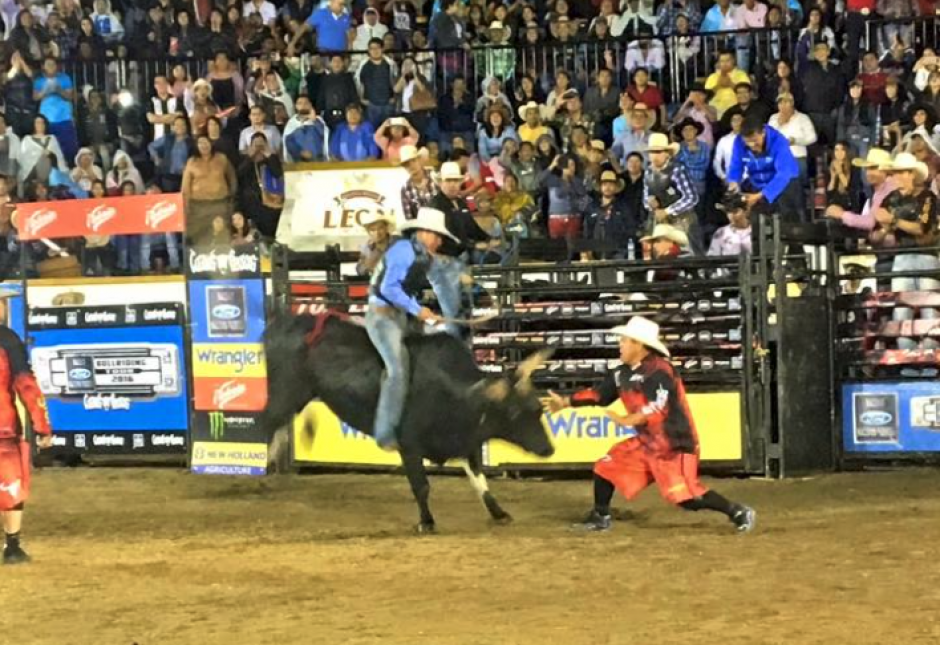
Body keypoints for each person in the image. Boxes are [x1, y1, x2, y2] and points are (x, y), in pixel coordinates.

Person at [549, 316, 756, 533]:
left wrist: (627, 420)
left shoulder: (660, 370)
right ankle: (600, 516)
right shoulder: (621, 373)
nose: (620, 345)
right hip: (648, 442)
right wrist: (566, 402)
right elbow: (599, 395)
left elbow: (657, 408)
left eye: (624, 340)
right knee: (606, 467)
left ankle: (736, 511)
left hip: (674, 446)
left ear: (638, 344)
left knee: (686, 497)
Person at [366, 207, 449, 450]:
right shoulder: (404, 251)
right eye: (437, 235)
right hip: (383, 317)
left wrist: (423, 313)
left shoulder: (418, 254)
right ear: (425, 233)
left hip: (397, 316)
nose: (440, 241)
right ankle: (385, 433)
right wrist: (418, 310)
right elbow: (389, 288)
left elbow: (403, 288)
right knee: (397, 371)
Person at [0, 294, 54, 565]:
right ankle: (12, 546)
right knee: (10, 484)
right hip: (3, 428)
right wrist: (42, 426)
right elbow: (26, 385)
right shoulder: (7, 339)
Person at [428, 162, 492, 338]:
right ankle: (455, 347)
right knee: (452, 312)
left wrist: (488, 239)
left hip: (457, 260)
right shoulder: (436, 205)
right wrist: (474, 245)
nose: (452, 185)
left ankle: (462, 345)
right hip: (442, 261)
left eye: (455, 181)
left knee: (460, 309)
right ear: (441, 182)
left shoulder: (460, 202)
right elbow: (446, 236)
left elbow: (471, 228)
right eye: (448, 181)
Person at [727, 117, 802, 223]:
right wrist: (733, 184)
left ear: (763, 133)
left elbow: (784, 174)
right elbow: (735, 166)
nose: (752, 146)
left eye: (755, 141)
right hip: (756, 181)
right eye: (748, 142)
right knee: (748, 211)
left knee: (787, 214)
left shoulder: (779, 141)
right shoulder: (739, 141)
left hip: (784, 183)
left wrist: (761, 195)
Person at [642, 133, 702, 254]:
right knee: (662, 253)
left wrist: (667, 211)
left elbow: (692, 197)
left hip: (682, 220)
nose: (655, 156)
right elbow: (645, 198)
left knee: (690, 253)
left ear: (667, 153)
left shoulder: (677, 169)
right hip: (660, 221)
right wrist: (650, 203)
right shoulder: (648, 172)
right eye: (652, 152)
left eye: (658, 152)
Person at [182, 134, 237, 246]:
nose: (204, 145)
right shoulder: (191, 162)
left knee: (222, 235)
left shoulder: (222, 158)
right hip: (198, 206)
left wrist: (232, 196)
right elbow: (185, 187)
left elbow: (232, 177)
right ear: (196, 146)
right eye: (200, 143)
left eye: (206, 142)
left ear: (211, 144)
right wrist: (186, 207)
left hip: (220, 203)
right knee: (199, 237)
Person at [825, 148, 895, 232]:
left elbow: (870, 222)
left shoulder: (889, 188)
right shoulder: (880, 189)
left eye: (873, 168)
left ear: (886, 170)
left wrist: (841, 214)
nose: (868, 173)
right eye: (867, 169)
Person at [582, 170, 638, 260]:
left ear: (616, 187)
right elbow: (587, 230)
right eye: (604, 184)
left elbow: (630, 229)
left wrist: (624, 247)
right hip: (596, 253)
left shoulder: (623, 207)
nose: (607, 187)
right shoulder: (592, 207)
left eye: (611, 184)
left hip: (619, 252)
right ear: (600, 187)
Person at [768, 93, 818, 193]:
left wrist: (796, 140)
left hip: (797, 156)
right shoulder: (773, 118)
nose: (783, 105)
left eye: (786, 102)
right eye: (780, 103)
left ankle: (800, 197)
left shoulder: (802, 118)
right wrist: (779, 124)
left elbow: (813, 138)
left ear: (792, 103)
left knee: (796, 181)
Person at [800, 41, 846, 147]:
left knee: (833, 145)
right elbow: (801, 54)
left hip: (830, 114)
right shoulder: (808, 68)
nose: (820, 52)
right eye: (817, 50)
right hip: (812, 113)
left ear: (828, 52)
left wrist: (836, 107)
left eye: (823, 49)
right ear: (814, 53)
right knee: (811, 145)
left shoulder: (836, 70)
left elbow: (840, 90)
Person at [705, 50, 751, 118]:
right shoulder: (712, 77)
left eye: (727, 61)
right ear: (718, 63)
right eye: (722, 61)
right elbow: (705, 96)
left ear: (733, 61)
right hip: (715, 112)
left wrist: (730, 84)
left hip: (736, 111)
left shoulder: (741, 75)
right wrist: (718, 85)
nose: (724, 64)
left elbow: (747, 94)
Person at [284, 96, 329, 163]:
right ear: (296, 106)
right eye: (300, 103)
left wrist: (314, 120)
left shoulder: (318, 120)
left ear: (310, 105)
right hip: (298, 162)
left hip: (318, 161)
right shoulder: (291, 123)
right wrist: (300, 152)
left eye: (306, 103)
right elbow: (288, 142)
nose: (303, 105)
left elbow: (325, 136)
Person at [399, 145, 438, 221]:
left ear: (419, 160)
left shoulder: (435, 177)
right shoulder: (406, 189)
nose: (411, 166)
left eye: (413, 161)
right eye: (407, 164)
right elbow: (409, 218)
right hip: (420, 227)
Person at [356, 212, 396, 276]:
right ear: (368, 232)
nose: (377, 233)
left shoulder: (397, 245)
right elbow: (359, 269)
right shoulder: (367, 247)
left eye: (380, 228)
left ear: (386, 228)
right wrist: (367, 268)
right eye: (372, 230)